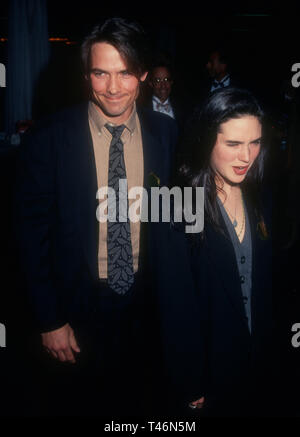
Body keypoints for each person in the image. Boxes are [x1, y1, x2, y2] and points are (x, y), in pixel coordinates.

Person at [15, 17, 177, 416]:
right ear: (87, 76)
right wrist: (50, 319)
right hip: (77, 307)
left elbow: (178, 220)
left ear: (142, 74)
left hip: (148, 306)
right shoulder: (49, 138)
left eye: (125, 73)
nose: (114, 87)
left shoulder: (168, 133)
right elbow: (29, 236)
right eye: (101, 73)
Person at [153, 87, 278, 416]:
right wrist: (191, 382)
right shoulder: (177, 206)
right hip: (211, 378)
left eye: (255, 142)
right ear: (206, 140)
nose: (246, 156)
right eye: (233, 144)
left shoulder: (260, 198)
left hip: (259, 370)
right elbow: (176, 310)